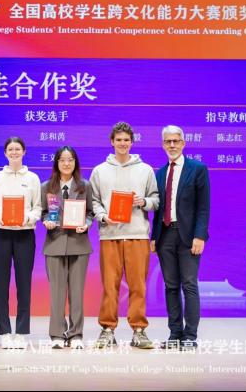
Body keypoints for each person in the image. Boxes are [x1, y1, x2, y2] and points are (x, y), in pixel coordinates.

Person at [89, 121, 159, 349]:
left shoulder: (145, 170)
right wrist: (102, 216)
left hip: (138, 234)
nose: (122, 143)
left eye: (126, 140)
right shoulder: (100, 170)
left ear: (132, 142)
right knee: (110, 286)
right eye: (118, 140)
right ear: (112, 142)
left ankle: (139, 330)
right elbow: (94, 201)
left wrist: (144, 201)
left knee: (138, 285)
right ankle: (107, 329)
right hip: (109, 235)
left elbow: (156, 200)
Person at [151, 125, 210, 350]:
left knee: (189, 285)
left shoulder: (197, 169)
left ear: (183, 143)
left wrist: (200, 236)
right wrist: (154, 237)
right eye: (168, 141)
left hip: (189, 237)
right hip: (165, 236)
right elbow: (158, 210)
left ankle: (190, 336)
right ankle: (175, 334)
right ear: (163, 145)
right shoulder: (160, 173)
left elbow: (203, 207)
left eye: (176, 141)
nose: (172, 145)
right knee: (171, 286)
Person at [0, 137, 42, 349]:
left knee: (24, 284)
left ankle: (21, 331)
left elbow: (38, 207)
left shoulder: (33, 178)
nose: (14, 152)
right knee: (1, 284)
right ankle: (4, 332)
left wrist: (28, 218)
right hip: (0, 234)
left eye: (18, 149)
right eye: (10, 149)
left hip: (24, 234)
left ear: (24, 151)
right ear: (5, 153)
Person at [40, 146, 94, 350]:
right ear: (56, 163)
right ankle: (57, 334)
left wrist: (86, 224)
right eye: (62, 160)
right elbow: (43, 212)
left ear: (75, 162)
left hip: (79, 244)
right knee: (56, 292)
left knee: (77, 293)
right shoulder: (46, 187)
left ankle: (76, 334)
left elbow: (90, 212)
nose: (66, 163)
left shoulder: (84, 186)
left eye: (70, 159)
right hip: (54, 244)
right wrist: (46, 221)